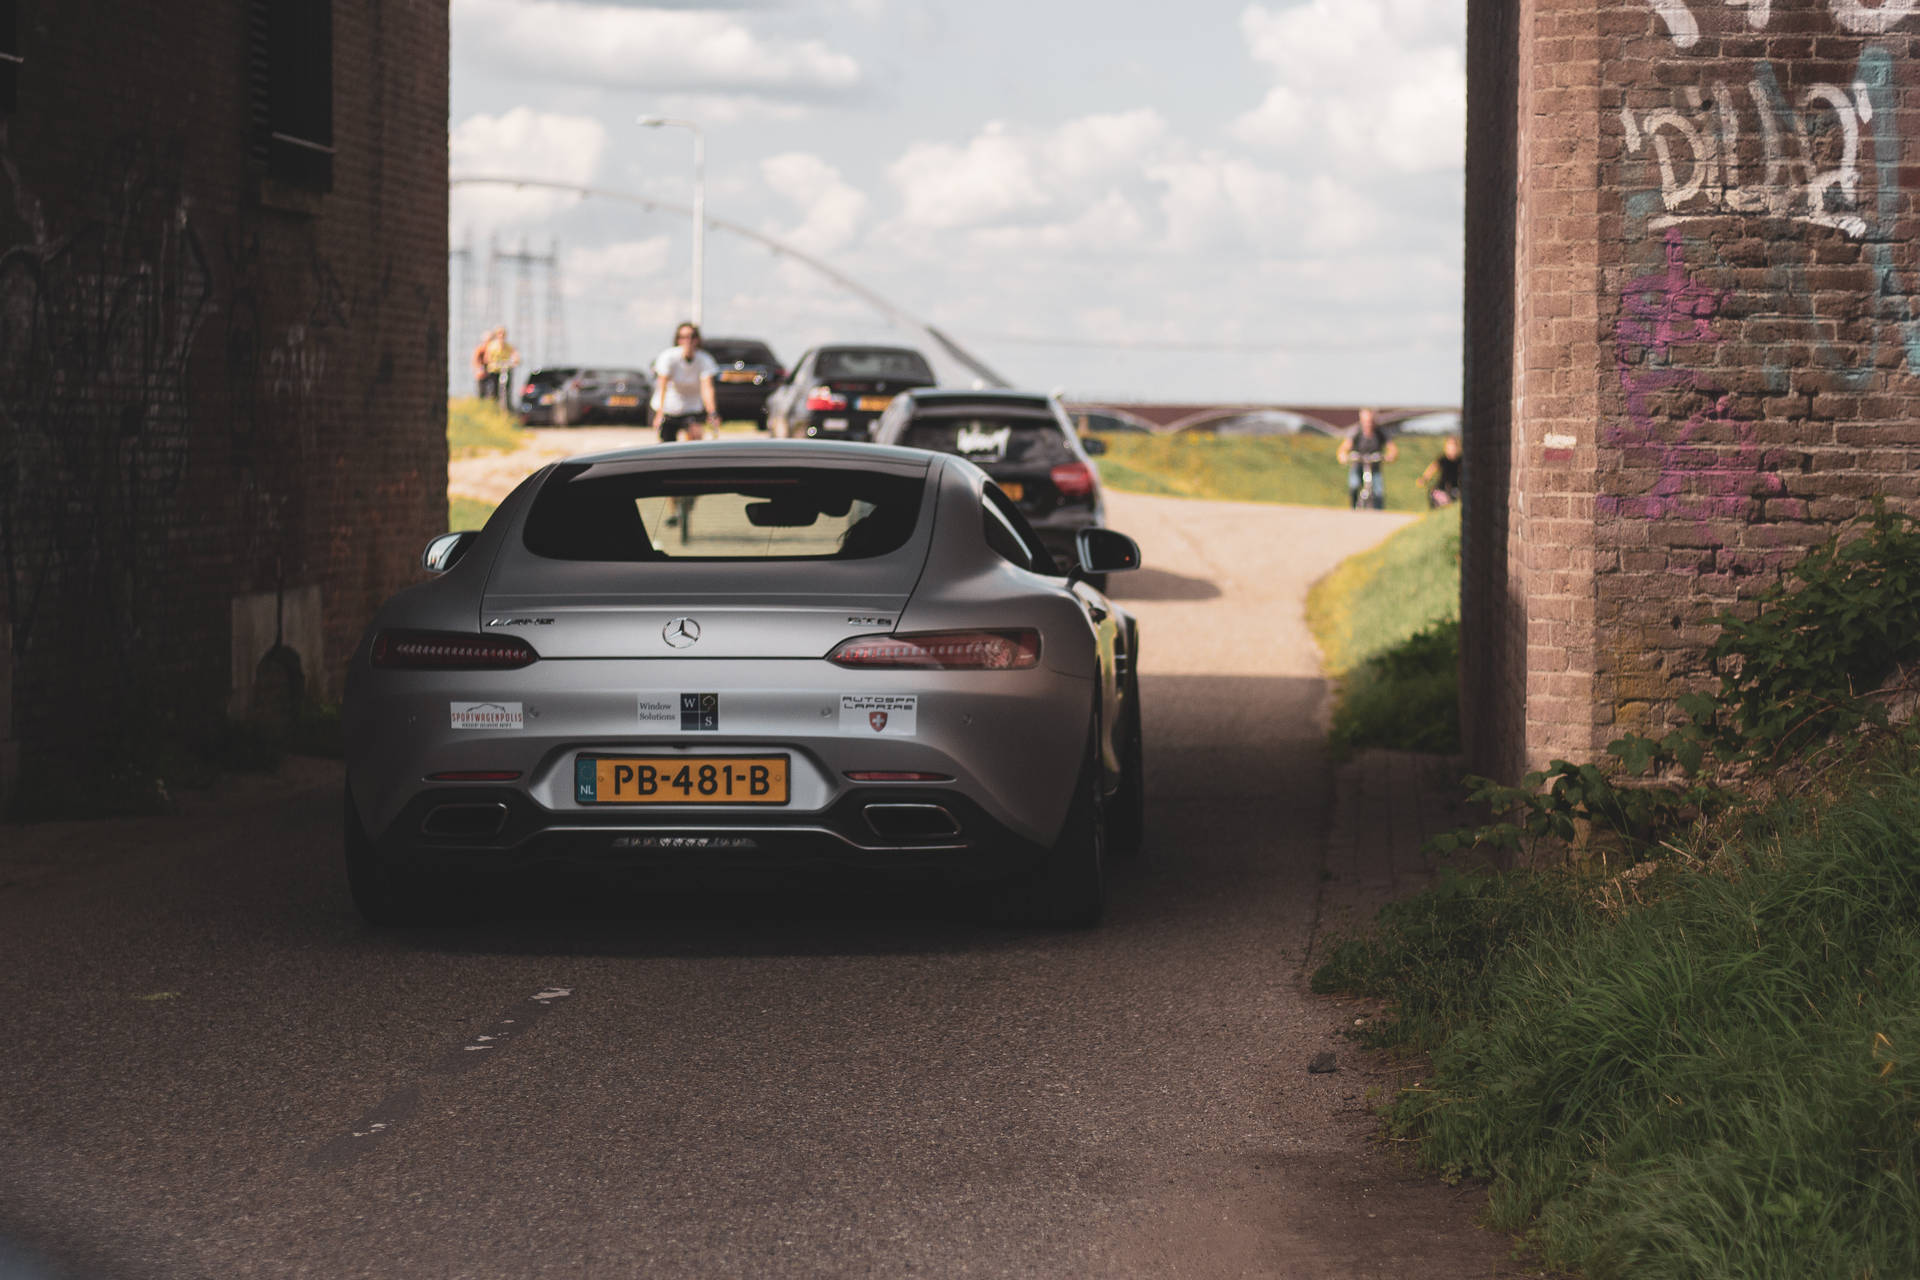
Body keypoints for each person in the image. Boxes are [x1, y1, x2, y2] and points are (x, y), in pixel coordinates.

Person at [650, 321, 721, 443]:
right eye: (683, 337)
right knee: (667, 445)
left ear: (697, 340)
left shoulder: (704, 360)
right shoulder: (668, 357)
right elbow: (662, 385)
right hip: (669, 407)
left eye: (692, 336)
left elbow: (707, 388)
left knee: (695, 436)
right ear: (678, 340)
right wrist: (659, 413)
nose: (688, 340)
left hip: (691, 407)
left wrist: (712, 412)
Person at [1336, 407, 1397, 509]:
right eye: (1365, 421)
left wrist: (1390, 455)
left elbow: (1392, 448)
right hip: (1358, 464)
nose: (1368, 424)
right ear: (1361, 421)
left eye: (1370, 421)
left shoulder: (1380, 432)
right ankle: (1353, 507)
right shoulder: (1356, 431)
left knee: (1378, 491)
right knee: (1354, 485)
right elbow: (1344, 447)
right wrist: (1343, 455)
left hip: (1375, 465)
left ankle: (1379, 513)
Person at [1420, 434, 1463, 507]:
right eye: (1449, 447)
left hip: (1455, 488)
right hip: (1441, 488)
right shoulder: (1442, 459)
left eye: (1454, 447)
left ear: (1458, 448)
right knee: (1435, 495)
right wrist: (1424, 478)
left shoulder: (1460, 460)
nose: (1451, 449)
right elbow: (1432, 468)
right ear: (1446, 448)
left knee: (1455, 497)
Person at [483, 327, 519, 408]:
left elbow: (515, 354)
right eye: (500, 334)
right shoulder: (492, 346)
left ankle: (507, 406)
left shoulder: (508, 346)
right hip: (494, 370)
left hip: (504, 370)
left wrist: (515, 360)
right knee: (494, 390)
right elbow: (487, 358)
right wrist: (492, 362)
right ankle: (494, 406)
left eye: (503, 334)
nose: (501, 336)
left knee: (507, 389)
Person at [471, 328, 496, 400]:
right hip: (482, 369)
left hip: (492, 369)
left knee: (493, 389)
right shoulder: (480, 349)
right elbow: (476, 361)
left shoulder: (493, 349)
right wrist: (479, 369)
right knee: (481, 389)